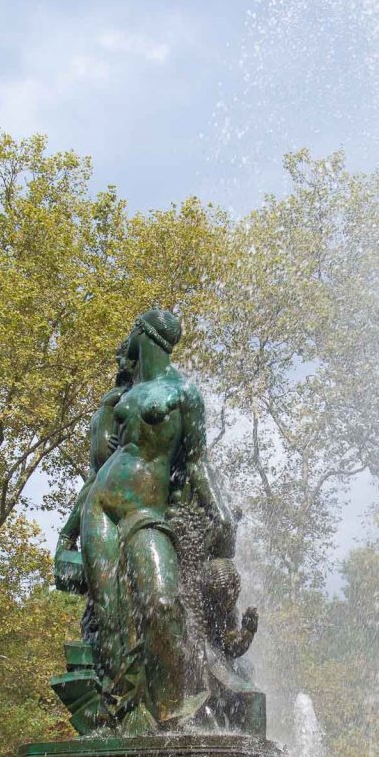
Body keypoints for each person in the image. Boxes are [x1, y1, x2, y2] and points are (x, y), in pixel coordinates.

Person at [78, 310, 238, 729]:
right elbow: (100, 464)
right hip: (100, 507)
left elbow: (198, 462)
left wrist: (219, 511)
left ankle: (171, 712)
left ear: (144, 334)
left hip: (146, 510)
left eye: (132, 332)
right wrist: (64, 541)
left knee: (162, 603)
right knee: (109, 615)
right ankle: (123, 718)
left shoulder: (184, 391)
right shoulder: (121, 398)